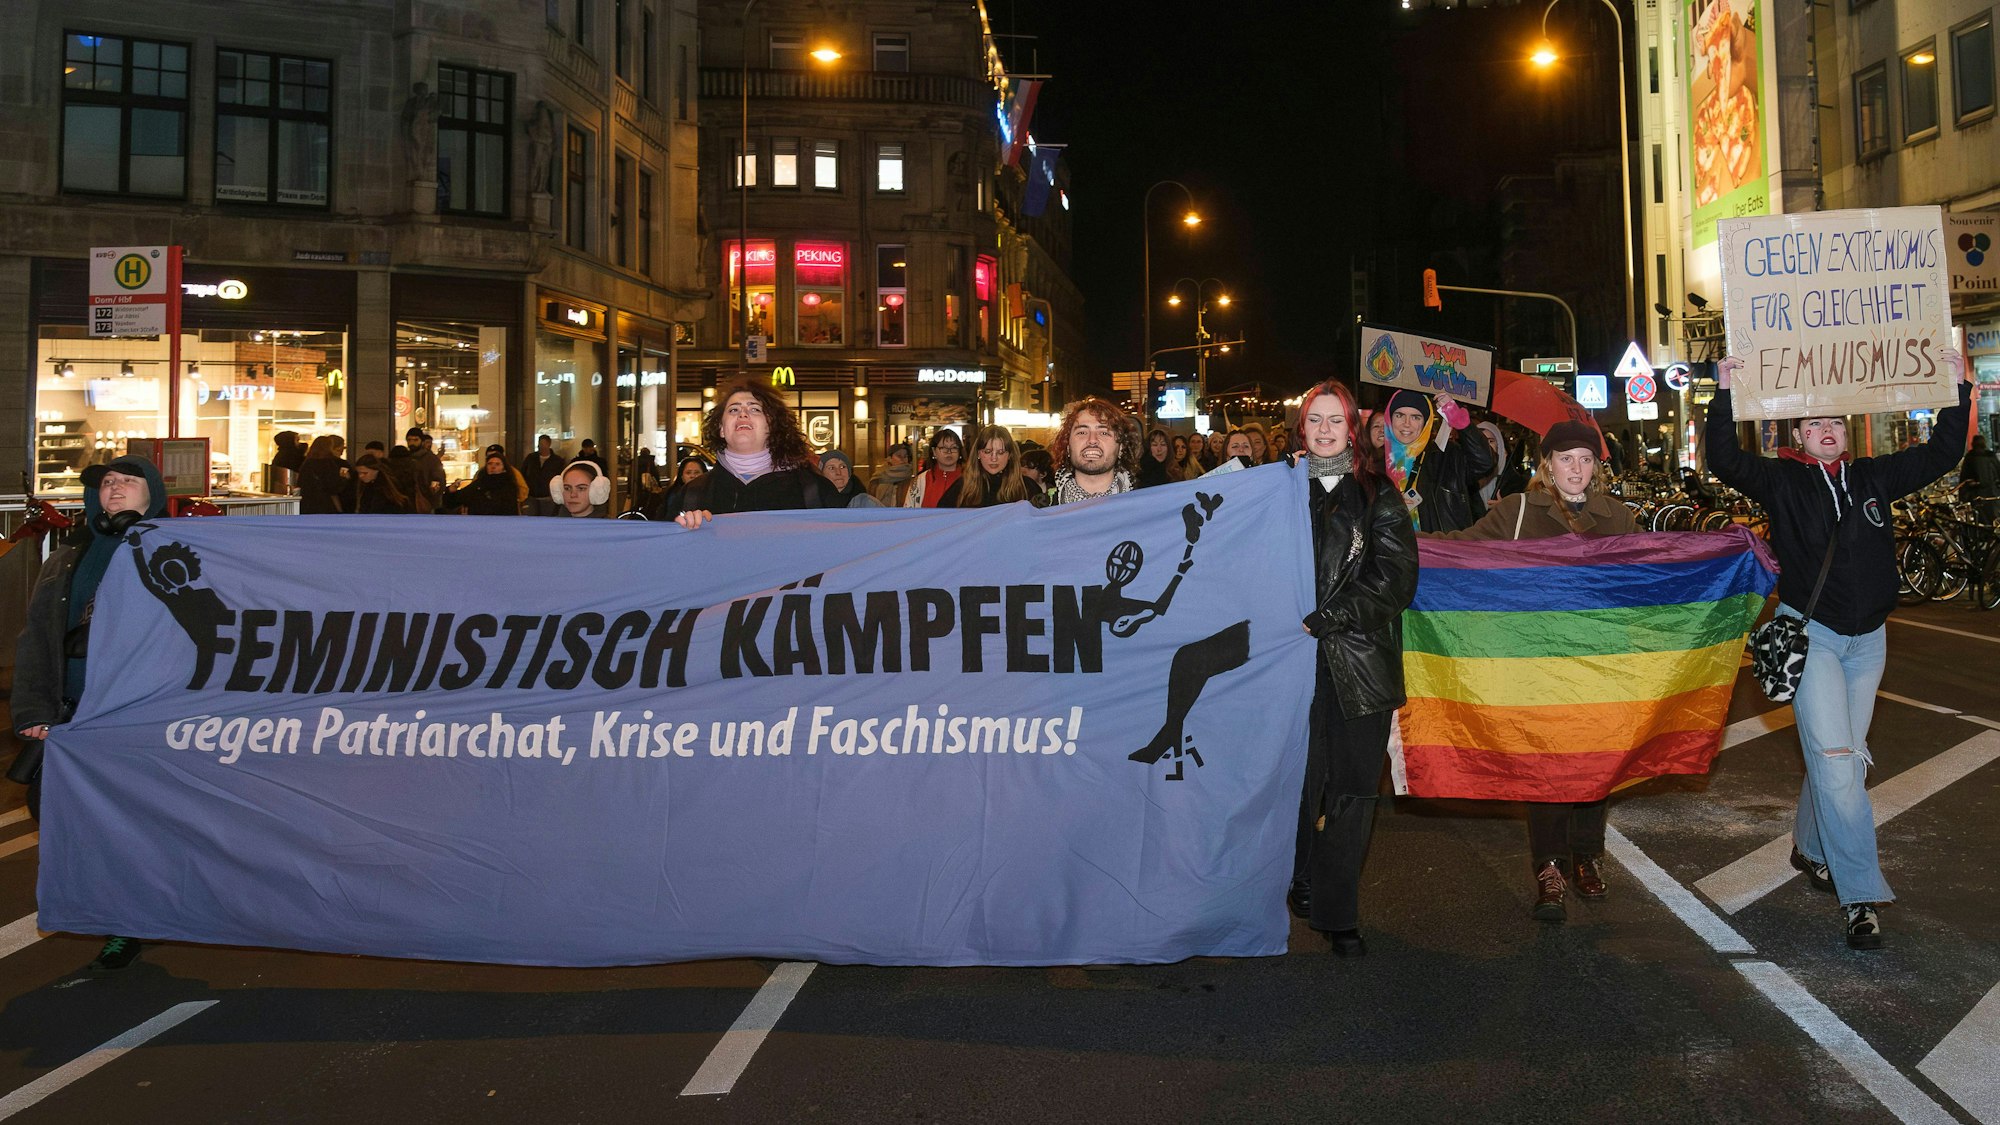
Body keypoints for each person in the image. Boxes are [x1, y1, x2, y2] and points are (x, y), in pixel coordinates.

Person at [1707, 349, 1971, 950]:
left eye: (1835, 423)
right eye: (1813, 424)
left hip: (1869, 643)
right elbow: (1724, 458)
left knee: (1840, 758)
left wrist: (1958, 390)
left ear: (1845, 431)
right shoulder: (1783, 481)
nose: (1826, 431)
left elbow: (1942, 453)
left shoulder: (1875, 477)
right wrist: (1721, 392)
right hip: (1813, 639)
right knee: (1836, 762)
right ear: (1799, 433)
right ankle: (1860, 896)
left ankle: (1809, 847)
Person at [1433, 420, 1638, 922]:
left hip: (1601, 663)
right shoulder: (1518, 510)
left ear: (1596, 467)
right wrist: (1401, 540)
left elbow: (1646, 577)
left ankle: (1587, 855)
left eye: (1585, 459)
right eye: (1565, 458)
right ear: (1547, 464)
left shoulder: (1619, 517)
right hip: (1537, 663)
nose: (1576, 468)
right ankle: (1549, 865)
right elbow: (1461, 549)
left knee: (1595, 761)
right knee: (1547, 765)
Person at [12, 456, 169, 972]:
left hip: (136, 712)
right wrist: (34, 709)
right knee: (55, 811)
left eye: (129, 481)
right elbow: (37, 636)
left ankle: (126, 923)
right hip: (73, 710)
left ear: (153, 493)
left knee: (133, 820)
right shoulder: (68, 558)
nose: (116, 489)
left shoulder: (175, 552)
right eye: (107, 483)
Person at [1289, 380, 1419, 957]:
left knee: (1348, 796)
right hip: (1287, 668)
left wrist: (1329, 617)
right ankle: (1298, 878)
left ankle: (1339, 914)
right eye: (1313, 420)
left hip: (1357, 668)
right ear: (1301, 428)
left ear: (1352, 428)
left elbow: (1395, 579)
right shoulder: (1280, 489)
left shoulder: (1378, 496)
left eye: (1334, 420)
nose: (1323, 430)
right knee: (1291, 787)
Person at [673, 380, 843, 526]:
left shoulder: (813, 490)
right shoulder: (691, 495)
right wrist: (682, 530)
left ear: (772, 426)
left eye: (755, 409)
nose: (743, 414)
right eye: (733, 410)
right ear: (721, 429)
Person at [1380, 389, 1495, 532]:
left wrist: (1460, 421)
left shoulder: (1446, 458)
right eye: (1399, 415)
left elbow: (1483, 462)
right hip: (1390, 550)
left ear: (1426, 422)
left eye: (1416, 417)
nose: (1407, 423)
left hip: (1437, 549)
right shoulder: (1372, 463)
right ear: (1389, 419)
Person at [1047, 397, 1139, 505]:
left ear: (1121, 447)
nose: (1092, 440)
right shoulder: (1041, 509)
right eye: (1082, 432)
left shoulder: (1145, 508)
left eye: (1104, 433)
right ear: (1067, 445)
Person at [938, 425, 1032, 508]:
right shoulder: (961, 487)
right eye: (987, 452)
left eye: (1000, 452)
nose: (994, 458)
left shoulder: (1027, 487)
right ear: (978, 453)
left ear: (1010, 455)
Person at [443, 451, 524, 516]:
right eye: (490, 464)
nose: (493, 467)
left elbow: (508, 509)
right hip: (477, 524)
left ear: (504, 468)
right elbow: (455, 501)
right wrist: (450, 491)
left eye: (497, 464)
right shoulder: (479, 483)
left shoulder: (508, 486)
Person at [902, 430, 965, 508]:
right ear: (934, 451)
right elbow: (909, 512)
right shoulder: (920, 481)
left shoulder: (971, 479)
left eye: (954, 447)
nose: (949, 452)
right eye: (943, 448)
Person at [297, 435, 350, 514]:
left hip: (307, 503)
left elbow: (300, 482)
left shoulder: (307, 462)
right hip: (325, 503)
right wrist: (344, 478)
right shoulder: (328, 463)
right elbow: (333, 487)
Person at [522, 435, 565, 517]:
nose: (541, 446)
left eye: (543, 443)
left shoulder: (557, 461)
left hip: (548, 497)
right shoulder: (531, 458)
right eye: (540, 443)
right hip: (532, 496)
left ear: (549, 444)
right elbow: (523, 473)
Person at [1960, 435, 2000, 522]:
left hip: (1976, 495)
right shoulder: (1990, 455)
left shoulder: (1970, 457)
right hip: (1992, 494)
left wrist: (1962, 497)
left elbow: (1964, 478)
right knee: (1994, 520)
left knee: (1979, 520)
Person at [405, 428, 446, 511]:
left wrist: (431, 496)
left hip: (426, 502)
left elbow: (437, 481)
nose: (412, 443)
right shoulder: (406, 458)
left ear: (422, 441)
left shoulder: (431, 460)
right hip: (409, 502)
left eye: (415, 440)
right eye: (409, 440)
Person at [660, 455, 711, 522]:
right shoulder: (672, 495)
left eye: (697, 472)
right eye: (688, 473)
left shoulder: (712, 494)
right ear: (682, 477)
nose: (692, 476)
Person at [1474, 421, 1508, 508]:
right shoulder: (1466, 480)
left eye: (1491, 441)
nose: (1487, 446)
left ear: (1499, 445)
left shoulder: (1515, 483)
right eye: (1482, 441)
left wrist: (1505, 509)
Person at [630, 447, 662, 515]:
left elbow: (631, 476)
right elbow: (655, 474)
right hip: (648, 488)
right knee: (648, 503)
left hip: (637, 486)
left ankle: (637, 514)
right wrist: (659, 485)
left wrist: (629, 491)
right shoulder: (650, 462)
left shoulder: (635, 462)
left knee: (638, 502)